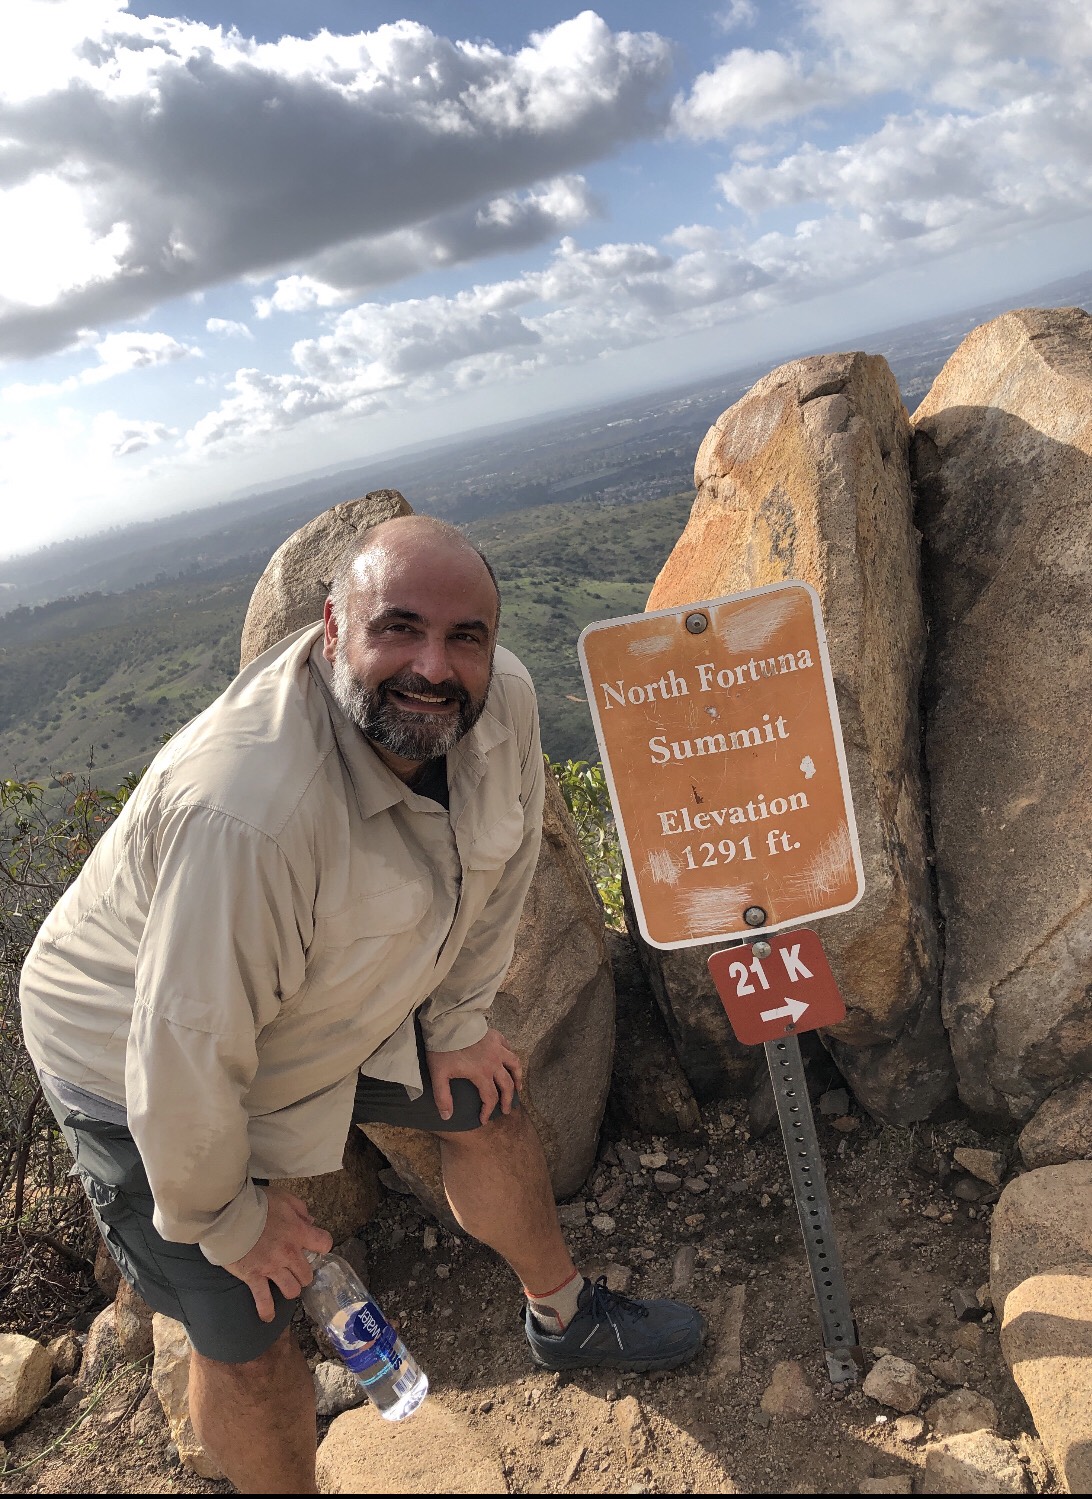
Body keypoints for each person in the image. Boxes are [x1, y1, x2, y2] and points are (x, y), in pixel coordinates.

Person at [20, 515, 702, 1493]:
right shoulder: (249, 809)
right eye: (399, 628)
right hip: (130, 1046)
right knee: (248, 1327)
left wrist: (459, 1020)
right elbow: (183, 1047)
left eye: (465, 635)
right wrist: (227, 1216)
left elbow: (497, 866)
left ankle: (566, 1313)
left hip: (322, 986)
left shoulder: (497, 701)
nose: (434, 664)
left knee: (485, 1104)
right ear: (331, 631)